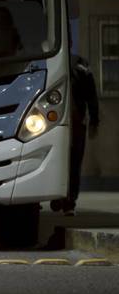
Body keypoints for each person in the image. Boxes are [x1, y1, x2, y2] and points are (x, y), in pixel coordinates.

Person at [52, 54, 101, 215]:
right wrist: (94, 120)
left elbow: (91, 94)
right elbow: (91, 95)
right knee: (73, 162)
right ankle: (67, 200)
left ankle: (62, 198)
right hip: (74, 121)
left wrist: (94, 119)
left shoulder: (57, 62)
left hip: (60, 121)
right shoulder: (80, 66)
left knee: (62, 160)